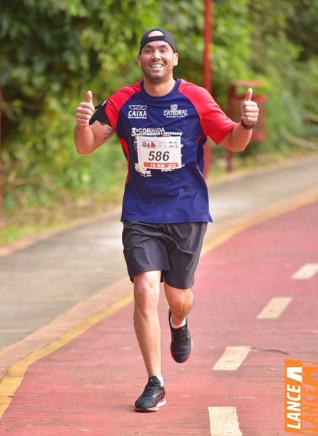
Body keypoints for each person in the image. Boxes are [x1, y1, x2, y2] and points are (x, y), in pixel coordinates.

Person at [74, 27, 259, 413]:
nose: (155, 56)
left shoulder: (195, 98)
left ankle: (178, 322)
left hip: (187, 212)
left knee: (178, 298)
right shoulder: (124, 100)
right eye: (148, 50)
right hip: (141, 212)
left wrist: (246, 125)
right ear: (140, 60)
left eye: (163, 50)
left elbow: (232, 142)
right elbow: (86, 145)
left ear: (174, 59)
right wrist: (81, 123)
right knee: (144, 291)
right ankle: (155, 381)